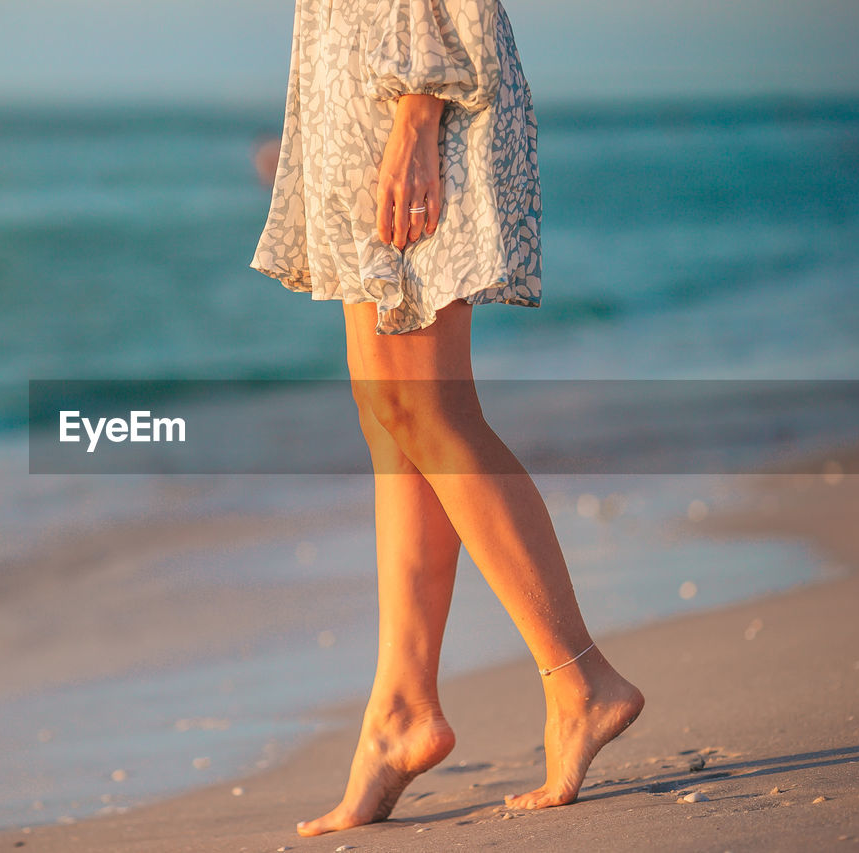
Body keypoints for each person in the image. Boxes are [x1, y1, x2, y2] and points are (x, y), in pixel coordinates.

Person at [249, 0, 645, 837]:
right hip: (361, 79)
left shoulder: (418, 100)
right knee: (390, 411)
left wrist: (418, 109)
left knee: (425, 402)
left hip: (416, 80)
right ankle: (401, 708)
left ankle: (580, 678)